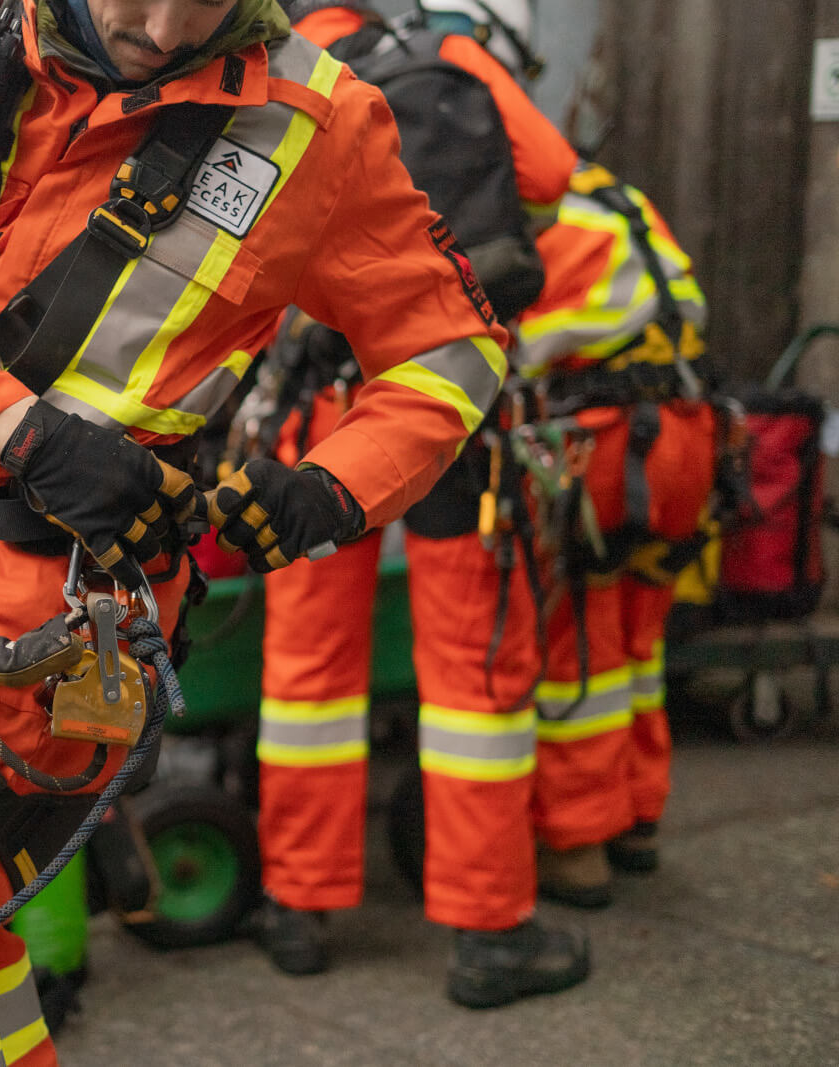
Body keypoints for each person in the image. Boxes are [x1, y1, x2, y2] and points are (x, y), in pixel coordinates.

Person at [0, 0, 510, 1061]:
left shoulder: (320, 120)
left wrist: (324, 493)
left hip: (62, 608)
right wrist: (12, 420)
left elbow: (453, 352)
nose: (163, 31)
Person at [254, 0, 588, 1010]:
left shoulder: (266, 60)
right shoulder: (444, 50)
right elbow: (553, 178)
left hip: (315, 402)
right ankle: (488, 932)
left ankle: (299, 906)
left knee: (306, 670)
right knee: (473, 668)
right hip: (445, 401)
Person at [518, 160, 716, 904]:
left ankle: (576, 846)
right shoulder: (619, 197)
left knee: (582, 648)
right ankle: (638, 817)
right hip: (685, 437)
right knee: (639, 642)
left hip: (609, 443)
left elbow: (498, 343)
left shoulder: (536, 215)